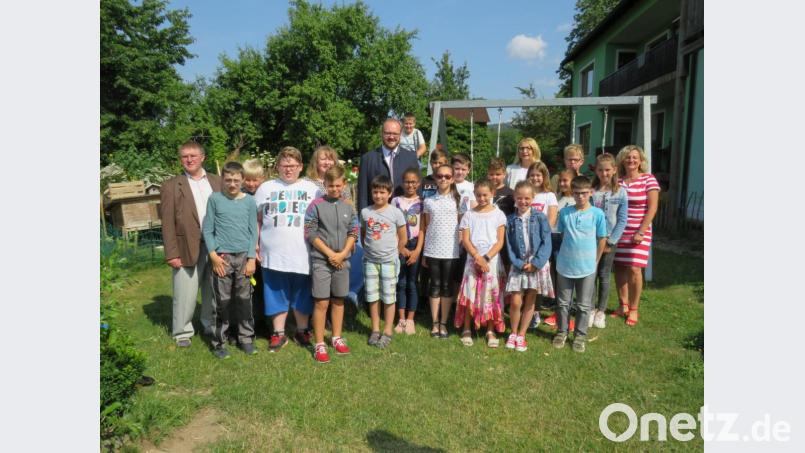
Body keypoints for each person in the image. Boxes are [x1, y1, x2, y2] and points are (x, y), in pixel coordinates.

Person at [254, 146, 321, 352]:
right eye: (284, 165)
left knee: (302, 293)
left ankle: (302, 330)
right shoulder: (265, 188)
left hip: (303, 252)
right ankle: (278, 334)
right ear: (278, 167)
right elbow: (256, 220)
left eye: (292, 165)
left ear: (300, 166)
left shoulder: (313, 189)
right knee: (275, 292)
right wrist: (255, 244)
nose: (288, 169)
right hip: (272, 253)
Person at [160, 140, 222, 348]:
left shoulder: (217, 182)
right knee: (185, 291)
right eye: (185, 156)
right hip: (185, 245)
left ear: (202, 157)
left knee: (212, 290)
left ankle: (210, 325)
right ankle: (182, 331)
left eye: (193, 155)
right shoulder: (171, 186)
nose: (189, 159)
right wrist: (171, 253)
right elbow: (167, 222)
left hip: (215, 245)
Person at [202, 161, 259, 359]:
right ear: (222, 180)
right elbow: (208, 230)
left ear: (243, 180)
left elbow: (254, 231)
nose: (232, 184)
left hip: (244, 257)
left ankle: (246, 338)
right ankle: (220, 342)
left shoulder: (250, 201)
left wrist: (251, 258)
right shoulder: (215, 199)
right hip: (222, 258)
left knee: (244, 301)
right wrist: (213, 256)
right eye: (228, 180)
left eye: (236, 180)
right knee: (222, 302)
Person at [305, 165, 360, 363]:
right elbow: (310, 233)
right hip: (322, 260)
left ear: (344, 184)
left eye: (338, 185)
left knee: (338, 300)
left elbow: (354, 231)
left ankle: (336, 337)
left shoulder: (348, 206)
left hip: (342, 261)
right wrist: (330, 254)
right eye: (330, 186)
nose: (334, 189)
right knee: (321, 301)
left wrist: (343, 253)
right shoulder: (316, 205)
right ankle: (319, 343)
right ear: (324, 184)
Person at [552, 176, 608, 353]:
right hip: (565, 265)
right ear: (572, 193)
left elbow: (602, 239)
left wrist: (596, 260)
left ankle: (580, 335)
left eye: (584, 193)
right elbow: (561, 235)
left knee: (584, 305)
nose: (580, 197)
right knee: (562, 303)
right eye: (576, 193)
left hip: (587, 267)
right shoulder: (566, 212)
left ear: (590, 192)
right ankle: (562, 332)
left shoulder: (597, 214)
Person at [454, 180, 507, 347]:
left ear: (492, 194)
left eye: (485, 195)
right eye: (478, 195)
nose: (482, 198)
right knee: (470, 293)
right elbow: (466, 239)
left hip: (491, 260)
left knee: (489, 294)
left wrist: (486, 258)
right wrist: (477, 257)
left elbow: (499, 241)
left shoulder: (499, 214)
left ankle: (490, 329)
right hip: (473, 259)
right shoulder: (469, 214)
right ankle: (467, 328)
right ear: (474, 195)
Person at [612, 145, 660, 327]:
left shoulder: (648, 179)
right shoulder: (619, 181)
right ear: (622, 161)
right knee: (619, 267)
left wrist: (641, 231)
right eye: (627, 157)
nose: (631, 160)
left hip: (639, 230)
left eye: (635, 157)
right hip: (619, 230)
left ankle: (634, 308)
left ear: (641, 161)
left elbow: (653, 207)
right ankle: (622, 304)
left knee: (634, 268)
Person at [504, 181, 553, 352]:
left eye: (527, 198)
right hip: (518, 265)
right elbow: (508, 245)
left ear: (533, 198)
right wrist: (518, 263)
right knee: (516, 301)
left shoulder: (540, 217)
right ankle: (513, 332)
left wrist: (536, 263)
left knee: (530, 300)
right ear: (514, 198)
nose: (523, 201)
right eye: (519, 198)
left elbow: (547, 242)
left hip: (536, 265)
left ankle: (521, 335)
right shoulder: (510, 220)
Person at [361, 175, 408, 349]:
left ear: (389, 194)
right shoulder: (366, 212)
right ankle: (375, 329)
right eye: (375, 192)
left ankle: (387, 330)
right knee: (373, 296)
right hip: (370, 261)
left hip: (389, 261)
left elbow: (403, 237)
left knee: (388, 297)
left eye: (382, 192)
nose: (378, 196)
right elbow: (363, 234)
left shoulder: (395, 213)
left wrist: (394, 253)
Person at [421, 165, 461, 339]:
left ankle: (444, 322)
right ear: (435, 178)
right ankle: (434, 322)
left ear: (452, 178)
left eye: (447, 176)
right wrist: (424, 252)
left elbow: (462, 226)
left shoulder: (458, 201)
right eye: (439, 176)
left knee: (447, 286)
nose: (443, 179)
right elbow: (426, 226)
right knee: (434, 285)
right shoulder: (429, 201)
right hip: (433, 250)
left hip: (451, 251)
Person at [589, 153, 628, 329]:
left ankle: (600, 311)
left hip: (610, 240)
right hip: (590, 240)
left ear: (614, 170)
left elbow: (622, 219)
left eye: (607, 170)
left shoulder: (620, 192)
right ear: (596, 171)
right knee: (590, 274)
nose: (604, 173)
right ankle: (589, 309)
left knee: (604, 275)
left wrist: (611, 242)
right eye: (600, 170)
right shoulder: (591, 190)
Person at [357, 118, 420, 212]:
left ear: (400, 134)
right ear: (381, 134)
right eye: (387, 133)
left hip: (405, 216)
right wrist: (363, 219)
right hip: (376, 216)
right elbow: (363, 193)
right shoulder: (367, 159)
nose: (391, 137)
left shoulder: (411, 157)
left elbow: (418, 188)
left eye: (395, 134)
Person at [542, 168, 577, 329]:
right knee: (556, 276)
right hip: (554, 239)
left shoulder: (577, 200)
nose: (562, 183)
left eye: (566, 180)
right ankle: (558, 311)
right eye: (561, 180)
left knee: (565, 279)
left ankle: (566, 314)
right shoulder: (558, 198)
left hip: (567, 242)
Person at [392, 168, 424, 335]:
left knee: (412, 283)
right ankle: (401, 318)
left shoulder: (422, 202)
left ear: (418, 183)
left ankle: (411, 319)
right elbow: (392, 226)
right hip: (400, 245)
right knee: (401, 282)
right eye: (407, 182)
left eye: (413, 182)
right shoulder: (395, 201)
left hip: (415, 245)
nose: (410, 185)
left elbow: (423, 228)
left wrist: (417, 250)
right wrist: (401, 247)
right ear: (402, 183)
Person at [241, 158, 266, 339]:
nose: (251, 184)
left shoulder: (266, 194)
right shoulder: (240, 197)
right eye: (247, 179)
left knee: (262, 287)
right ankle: (247, 321)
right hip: (245, 249)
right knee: (247, 287)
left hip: (264, 248)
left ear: (262, 178)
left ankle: (263, 321)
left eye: (255, 179)